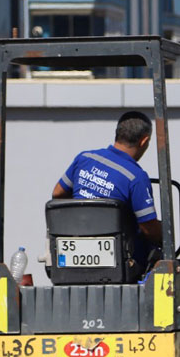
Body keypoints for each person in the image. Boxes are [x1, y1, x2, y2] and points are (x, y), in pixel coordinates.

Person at [52, 111, 161, 259]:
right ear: (144, 141)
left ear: (118, 133)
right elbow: (149, 229)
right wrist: (166, 233)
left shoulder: (84, 158)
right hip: (119, 261)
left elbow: (58, 194)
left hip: (75, 251)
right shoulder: (136, 177)